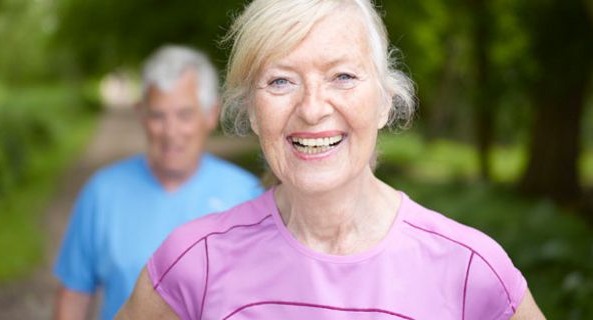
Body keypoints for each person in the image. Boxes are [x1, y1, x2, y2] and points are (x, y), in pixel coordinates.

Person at [117, 1, 546, 319]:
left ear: (384, 102)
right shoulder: (194, 263)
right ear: (251, 110)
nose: (312, 108)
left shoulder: (470, 269)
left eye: (342, 76)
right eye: (281, 81)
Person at [54, 45, 263, 320]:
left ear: (211, 114)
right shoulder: (102, 193)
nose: (170, 132)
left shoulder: (249, 195)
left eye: (184, 115)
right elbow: (73, 296)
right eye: (158, 115)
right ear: (141, 114)